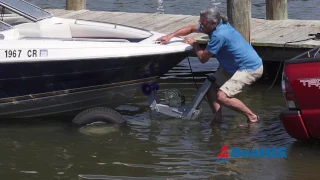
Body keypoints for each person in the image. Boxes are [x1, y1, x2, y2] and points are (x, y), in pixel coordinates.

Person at [156, 7, 263, 124]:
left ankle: (252, 117)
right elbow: (191, 28)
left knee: (222, 96)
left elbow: (203, 59)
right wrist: (170, 36)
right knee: (210, 87)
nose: (201, 27)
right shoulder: (214, 25)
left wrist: (195, 44)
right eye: (200, 23)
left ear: (214, 22)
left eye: (203, 24)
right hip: (232, 66)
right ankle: (217, 118)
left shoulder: (219, 35)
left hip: (249, 68)